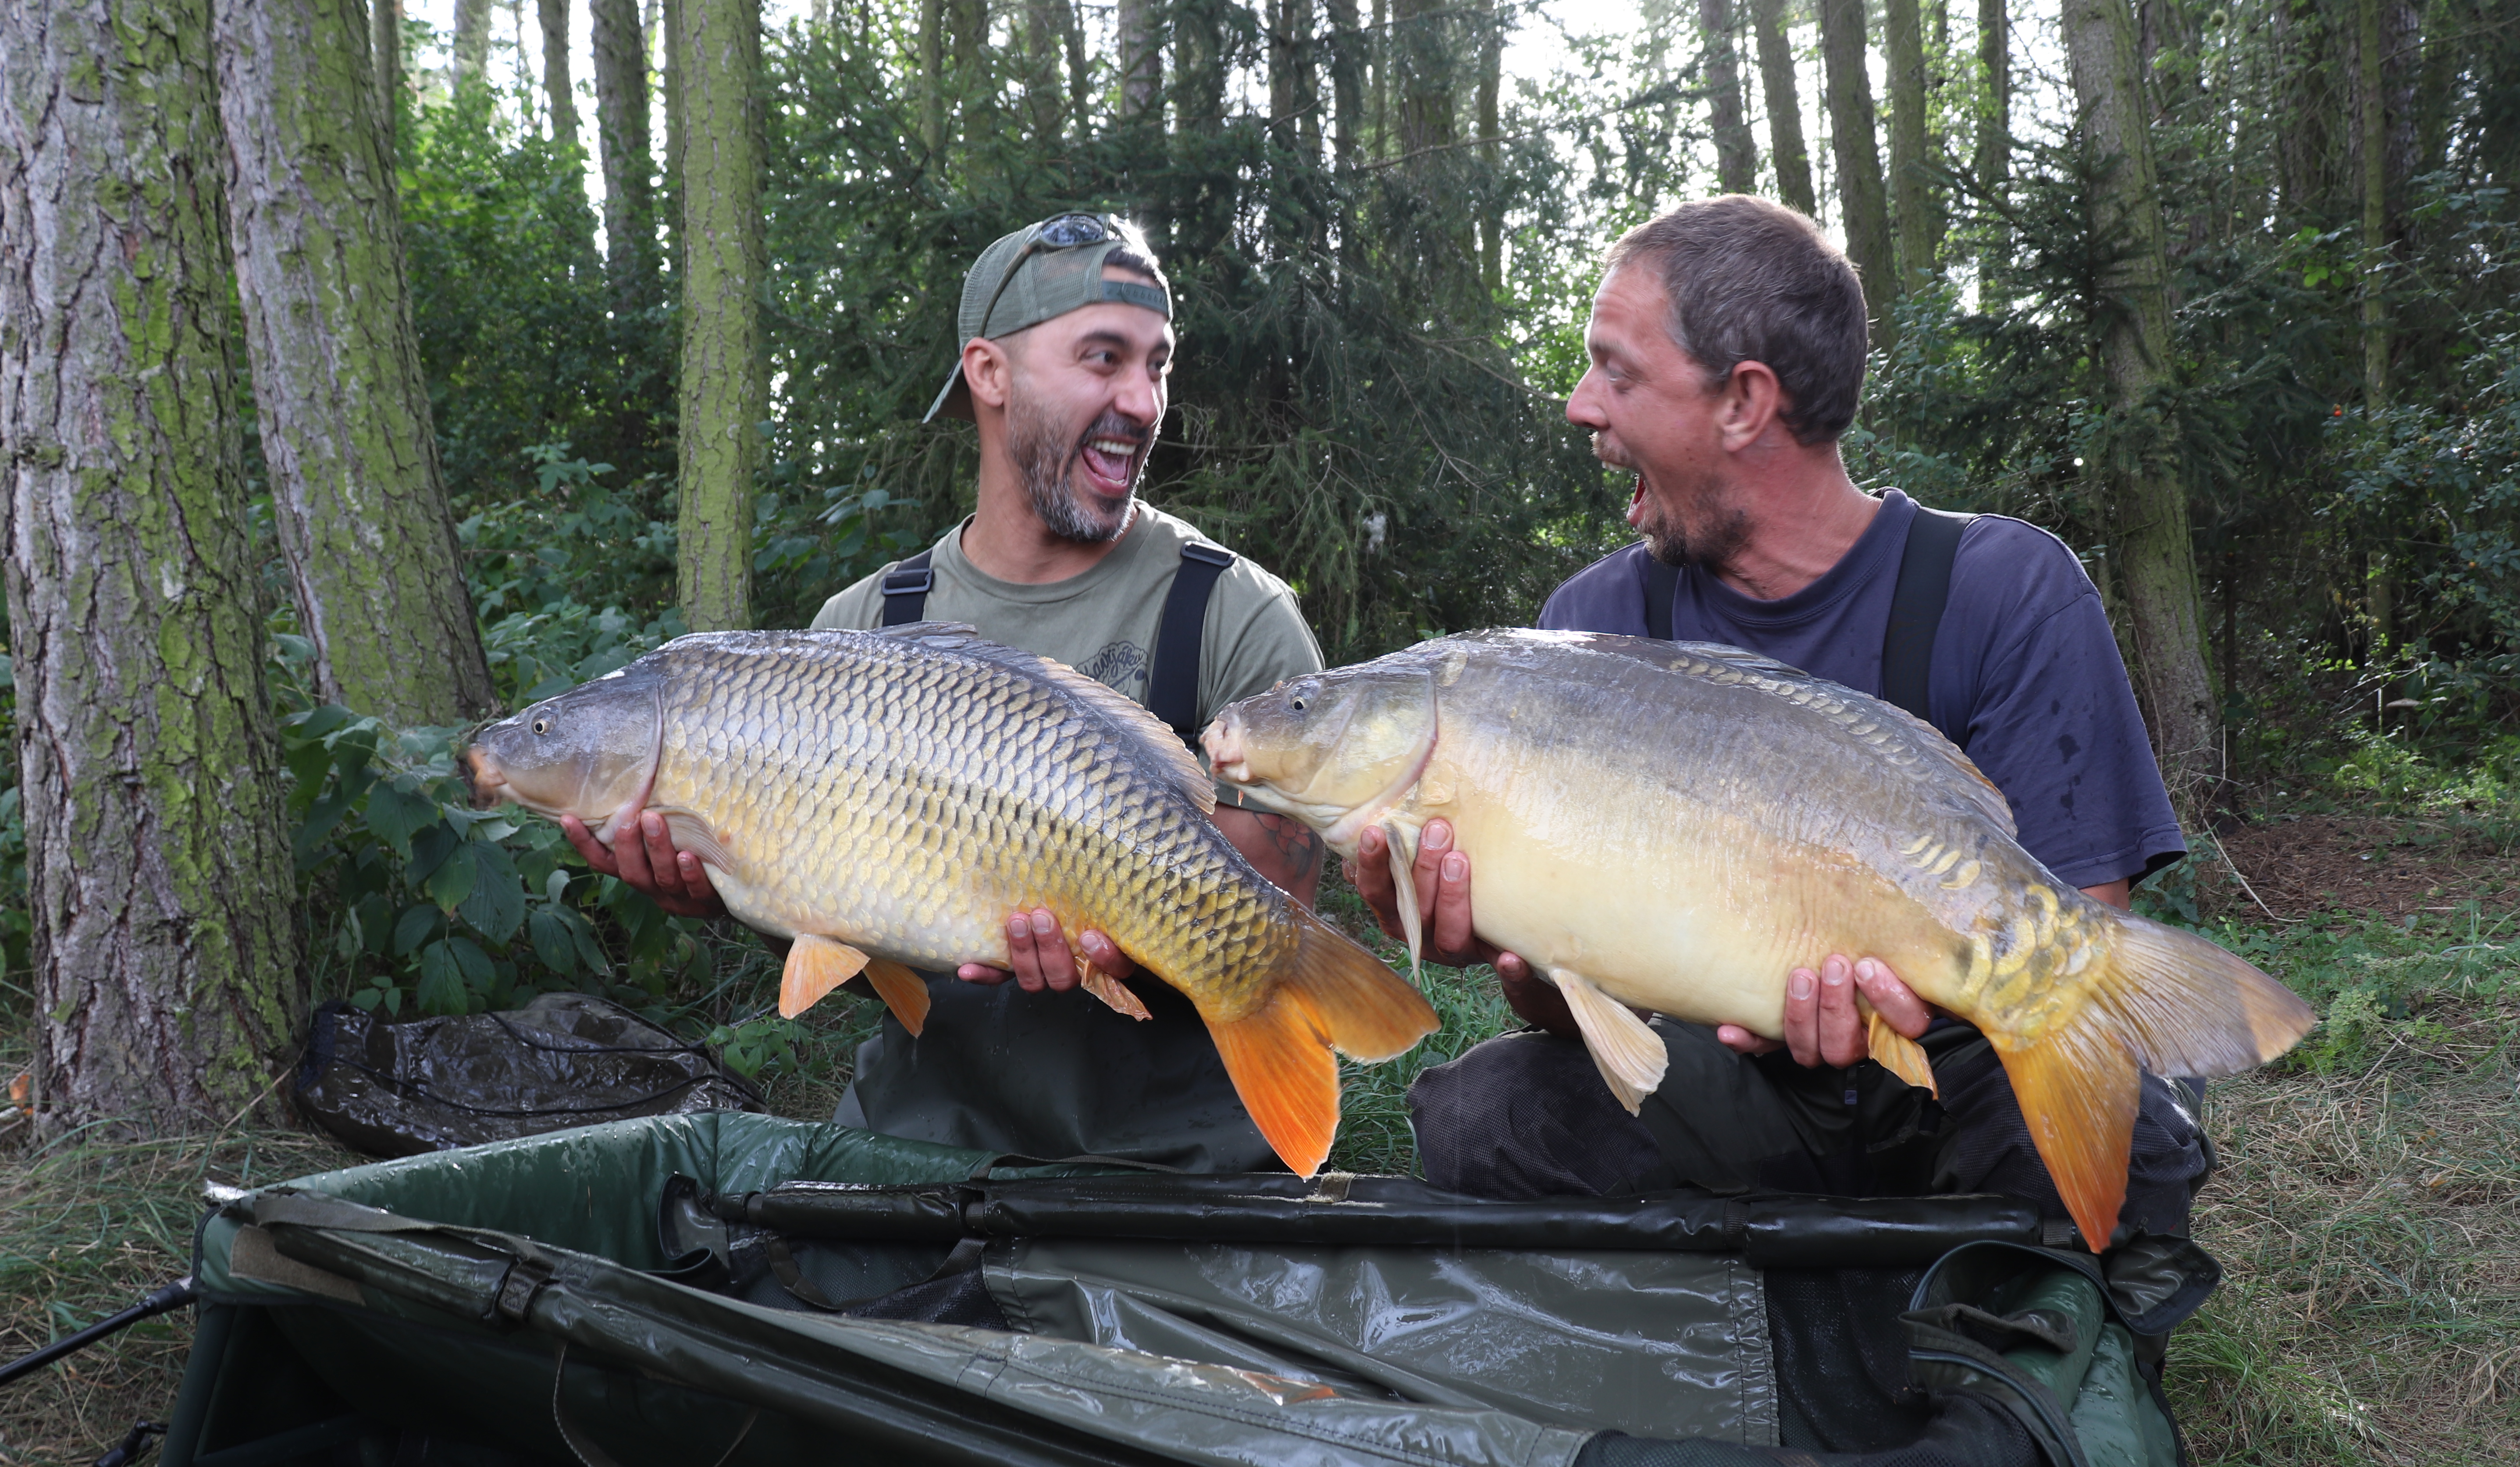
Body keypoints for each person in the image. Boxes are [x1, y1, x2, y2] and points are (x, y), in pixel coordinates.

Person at [1359, 195, 2213, 1240]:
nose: (1583, 405)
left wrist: (1923, 1005)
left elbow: (2089, 911)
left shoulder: (2004, 588)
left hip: (1946, 1071)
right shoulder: (1588, 629)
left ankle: (1985, 1351)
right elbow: (1569, 1008)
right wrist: (1506, 951)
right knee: (1484, 1115)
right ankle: (1769, 1311)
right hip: (1722, 1084)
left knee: (2125, 1126)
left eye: (1617, 371)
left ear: (1743, 402)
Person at [570, 211, 1327, 1171]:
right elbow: (838, 937)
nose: (1142, 401)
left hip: (1175, 1159)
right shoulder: (860, 626)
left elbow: (1275, 898)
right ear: (990, 373)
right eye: (1103, 358)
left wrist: (1118, 936)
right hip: (927, 1139)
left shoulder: (1234, 611)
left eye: (1159, 364)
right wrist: (719, 892)